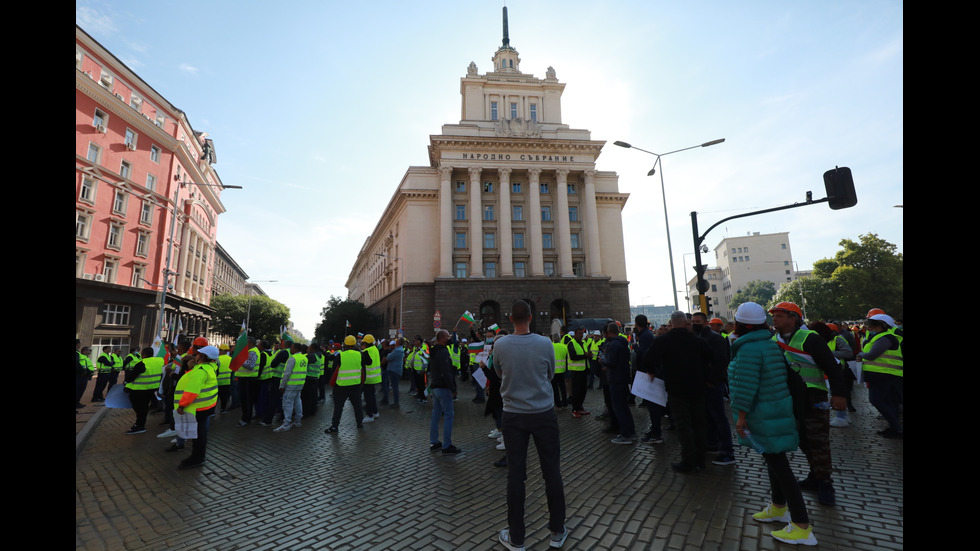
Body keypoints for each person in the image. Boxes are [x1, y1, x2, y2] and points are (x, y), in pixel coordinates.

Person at [729, 302, 817, 546]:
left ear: (740, 325)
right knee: (773, 459)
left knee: (781, 468)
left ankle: (801, 526)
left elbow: (746, 387)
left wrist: (741, 416)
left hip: (762, 414)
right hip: (776, 410)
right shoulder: (769, 345)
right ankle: (779, 507)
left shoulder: (748, 350)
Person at [493, 300, 567, 551]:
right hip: (543, 413)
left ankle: (516, 538)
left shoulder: (500, 344)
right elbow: (551, 375)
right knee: (551, 472)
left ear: (510, 319)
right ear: (531, 318)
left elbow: (498, 373)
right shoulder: (545, 343)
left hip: (513, 416)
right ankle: (557, 532)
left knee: (516, 475)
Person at [769, 302, 847, 506]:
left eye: (779, 316)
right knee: (803, 440)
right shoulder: (774, 340)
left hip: (814, 398)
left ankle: (825, 484)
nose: (774, 319)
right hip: (790, 398)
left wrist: (839, 394)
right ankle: (815, 476)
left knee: (818, 442)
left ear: (793, 318)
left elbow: (832, 365)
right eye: (774, 315)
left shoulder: (809, 338)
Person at [642, 310, 712, 473]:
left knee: (683, 425)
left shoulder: (664, 340)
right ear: (686, 323)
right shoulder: (696, 340)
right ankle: (700, 460)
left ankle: (688, 461)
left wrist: (651, 371)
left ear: (672, 323)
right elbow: (713, 357)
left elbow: (648, 358)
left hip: (677, 389)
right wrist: (708, 377)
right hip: (698, 388)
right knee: (700, 424)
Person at [692, 311, 735, 466]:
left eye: (697, 321)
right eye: (693, 321)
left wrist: (711, 380)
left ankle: (727, 451)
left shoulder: (715, 338)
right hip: (703, 384)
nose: (694, 323)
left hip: (713, 384)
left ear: (705, 323)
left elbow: (721, 361)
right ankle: (712, 443)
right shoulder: (698, 338)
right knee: (708, 415)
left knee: (718, 416)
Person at [173, 344, 219, 470]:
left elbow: (192, 391)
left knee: (198, 435)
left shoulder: (200, 371)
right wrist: (189, 369)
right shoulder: (208, 368)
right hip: (205, 407)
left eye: (197, 354)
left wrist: (181, 405)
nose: (195, 355)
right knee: (200, 433)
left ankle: (197, 458)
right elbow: (191, 379)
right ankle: (197, 456)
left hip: (198, 408)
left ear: (203, 357)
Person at [857, 313, 903, 438]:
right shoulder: (881, 337)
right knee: (888, 401)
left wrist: (861, 354)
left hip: (883, 374)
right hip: (883, 374)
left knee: (876, 400)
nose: (869, 327)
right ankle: (894, 428)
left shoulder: (884, 338)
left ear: (882, 326)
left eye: (872, 324)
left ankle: (896, 428)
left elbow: (872, 355)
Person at [599, 322, 636, 445]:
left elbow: (612, 362)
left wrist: (602, 360)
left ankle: (626, 434)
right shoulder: (622, 342)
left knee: (619, 407)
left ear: (609, 332)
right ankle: (630, 431)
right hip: (622, 378)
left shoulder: (613, 345)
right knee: (624, 407)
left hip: (616, 379)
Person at [324, 336, 366, 433]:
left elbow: (334, 372)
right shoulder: (360, 355)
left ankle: (334, 427)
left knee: (338, 407)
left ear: (345, 345)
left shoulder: (340, 355)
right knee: (357, 406)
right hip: (355, 385)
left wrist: (332, 384)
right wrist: (361, 383)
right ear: (355, 344)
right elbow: (363, 371)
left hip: (341, 386)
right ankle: (360, 423)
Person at [428, 330, 460, 454]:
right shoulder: (443, 352)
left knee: (435, 415)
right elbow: (446, 372)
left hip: (435, 387)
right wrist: (453, 388)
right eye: (448, 336)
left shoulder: (434, 351)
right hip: (443, 387)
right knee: (448, 416)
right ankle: (447, 445)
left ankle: (434, 441)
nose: (450, 338)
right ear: (442, 338)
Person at [123, 347, 163, 434]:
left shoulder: (141, 363)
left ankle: (139, 425)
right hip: (152, 389)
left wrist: (126, 382)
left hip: (139, 390)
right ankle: (140, 424)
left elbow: (131, 377)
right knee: (144, 407)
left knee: (139, 408)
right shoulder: (159, 361)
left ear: (143, 354)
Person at [275, 341, 307, 432]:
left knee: (287, 404)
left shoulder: (292, 358)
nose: (290, 349)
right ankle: (297, 421)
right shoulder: (304, 358)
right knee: (297, 402)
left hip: (291, 385)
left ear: (296, 348)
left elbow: (287, 373)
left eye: (292, 347)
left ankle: (286, 424)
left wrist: (282, 385)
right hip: (300, 384)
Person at [566, 326, 591, 418]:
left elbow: (585, 353)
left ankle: (580, 407)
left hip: (584, 370)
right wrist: (585, 356)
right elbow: (573, 356)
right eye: (579, 333)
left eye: (582, 334)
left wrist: (589, 355)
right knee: (576, 391)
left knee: (583, 391)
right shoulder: (571, 344)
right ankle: (575, 409)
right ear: (575, 334)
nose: (581, 335)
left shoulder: (583, 343)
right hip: (576, 371)